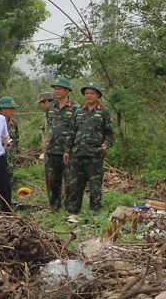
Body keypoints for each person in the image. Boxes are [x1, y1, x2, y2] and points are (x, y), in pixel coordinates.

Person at [66, 83, 115, 214]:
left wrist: (106, 144)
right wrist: (67, 151)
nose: (89, 96)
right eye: (87, 93)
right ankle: (73, 212)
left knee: (95, 187)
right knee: (75, 185)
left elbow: (110, 134)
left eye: (92, 93)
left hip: (95, 155)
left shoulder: (104, 112)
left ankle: (94, 213)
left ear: (98, 95)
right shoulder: (78, 111)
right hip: (77, 154)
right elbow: (71, 132)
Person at [45, 77, 78, 212]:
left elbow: (77, 129)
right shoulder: (51, 106)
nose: (56, 91)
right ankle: (54, 207)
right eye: (55, 89)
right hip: (52, 149)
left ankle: (69, 208)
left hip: (67, 151)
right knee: (53, 181)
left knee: (69, 181)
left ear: (66, 91)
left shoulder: (75, 108)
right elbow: (49, 125)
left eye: (59, 89)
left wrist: (70, 149)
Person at [0, 96, 20, 210]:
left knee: (8, 184)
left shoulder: (13, 123)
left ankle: (7, 207)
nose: (13, 111)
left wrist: (14, 154)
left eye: (13, 109)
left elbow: (16, 141)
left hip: (10, 160)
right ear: (3, 109)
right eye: (10, 108)